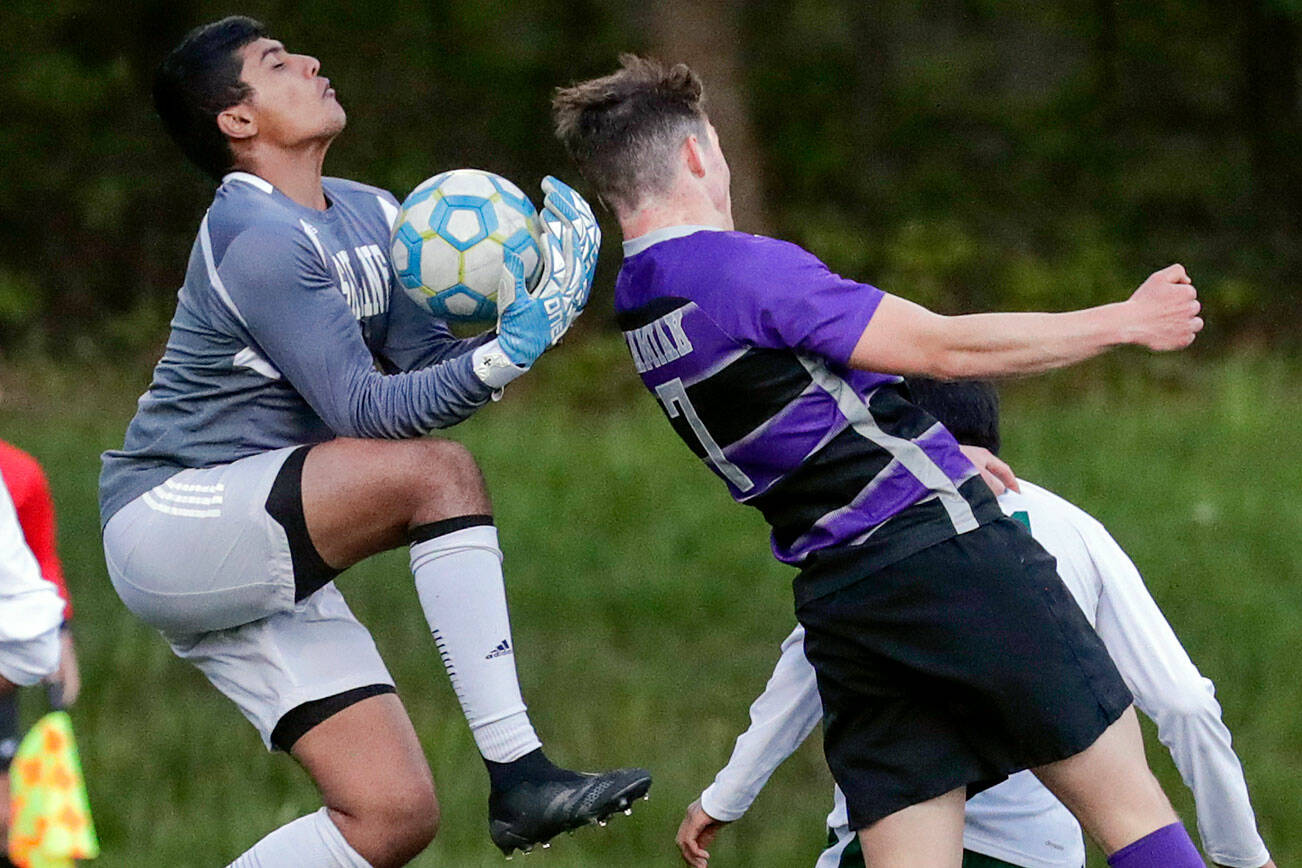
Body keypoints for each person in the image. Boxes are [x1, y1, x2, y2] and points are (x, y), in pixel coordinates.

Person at [554, 55, 1207, 867]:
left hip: (846, 607)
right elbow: (942, 348)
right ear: (695, 155)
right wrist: (1124, 320)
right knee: (1136, 820)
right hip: (950, 558)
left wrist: (923, 442)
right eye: (717, 144)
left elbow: (801, 410)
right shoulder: (743, 269)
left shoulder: (639, 302)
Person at [99, 17, 647, 868]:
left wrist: (531, 313)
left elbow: (426, 378)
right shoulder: (257, 236)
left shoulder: (370, 212)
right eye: (277, 64)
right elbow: (366, 411)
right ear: (236, 122)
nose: (313, 62)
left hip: (254, 524)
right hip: (175, 517)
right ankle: (520, 773)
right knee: (439, 475)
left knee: (389, 818)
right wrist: (506, 355)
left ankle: (519, 780)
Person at [674, 379, 1274, 868]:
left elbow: (802, 678)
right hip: (1038, 855)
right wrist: (1243, 854)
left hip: (893, 837)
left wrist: (727, 795)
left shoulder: (875, 532)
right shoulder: (1073, 529)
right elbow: (1185, 702)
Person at [0, 440, 81, 868]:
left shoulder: (20, 473)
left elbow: (41, 561)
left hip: (2, 661)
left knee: (7, 809)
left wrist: (60, 638)